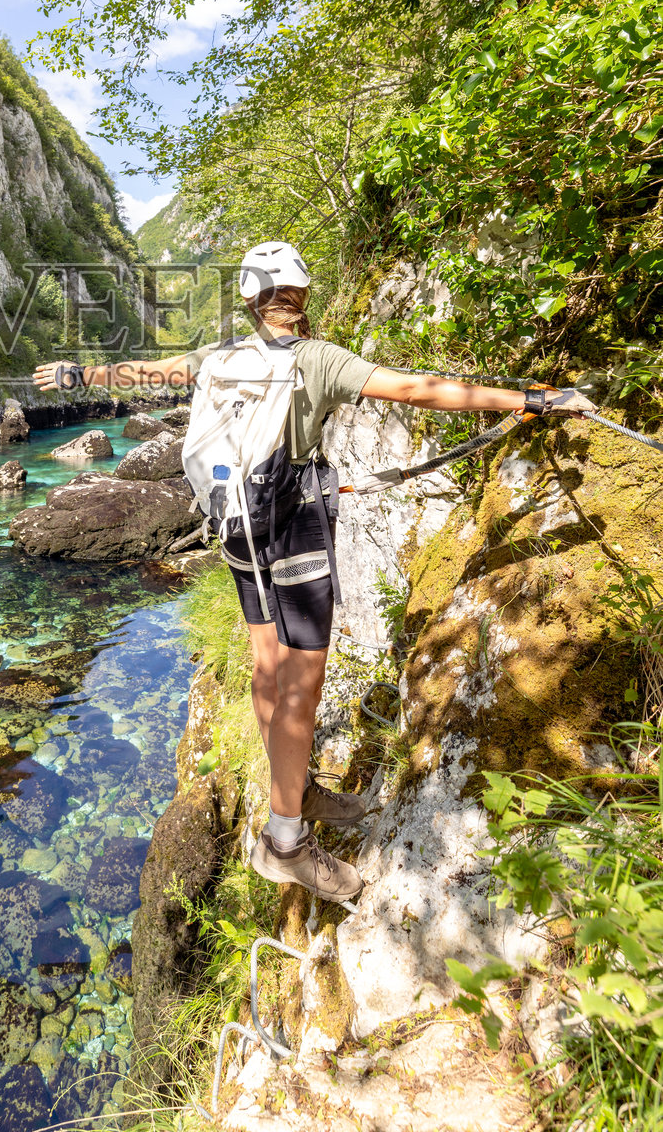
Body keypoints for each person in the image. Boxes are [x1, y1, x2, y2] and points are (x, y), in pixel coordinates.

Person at [32, 241, 577, 902]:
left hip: (235, 531)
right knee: (300, 681)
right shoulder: (317, 358)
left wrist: (76, 373)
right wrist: (528, 398)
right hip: (288, 530)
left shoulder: (219, 356)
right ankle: (285, 843)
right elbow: (417, 390)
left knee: (268, 664)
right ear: (302, 295)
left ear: (249, 300)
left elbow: (148, 373)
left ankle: (296, 791)